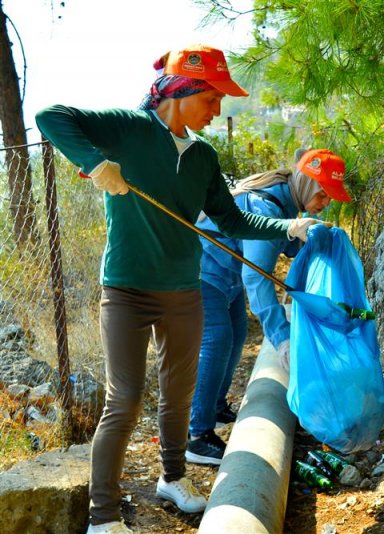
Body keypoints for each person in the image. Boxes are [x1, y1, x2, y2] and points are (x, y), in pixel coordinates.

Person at [35, 44, 324, 534]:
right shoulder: (129, 128)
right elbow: (49, 116)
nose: (216, 111)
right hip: (126, 291)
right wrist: (93, 162)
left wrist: (288, 228)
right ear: (184, 89)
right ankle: (102, 517)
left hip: (183, 292)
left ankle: (172, 478)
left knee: (179, 391)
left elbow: (231, 218)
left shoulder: (204, 156)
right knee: (124, 399)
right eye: (212, 99)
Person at [186, 148, 352, 465]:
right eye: (323, 195)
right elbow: (256, 276)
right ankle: (197, 435)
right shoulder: (267, 206)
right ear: (305, 183)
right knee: (217, 338)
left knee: (234, 337)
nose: (325, 202)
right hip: (204, 272)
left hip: (225, 275)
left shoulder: (285, 200)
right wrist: (282, 338)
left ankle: (216, 406)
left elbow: (282, 244)